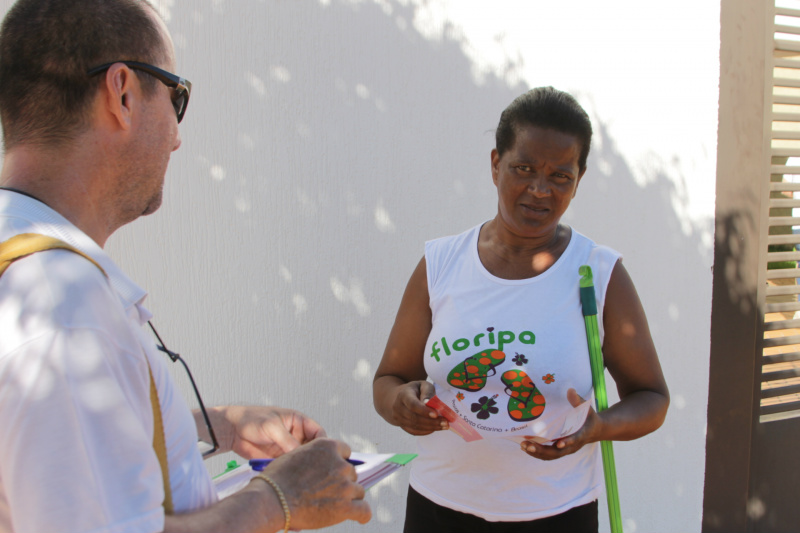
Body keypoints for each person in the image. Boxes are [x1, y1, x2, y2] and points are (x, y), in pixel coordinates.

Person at [0, 1, 371, 532]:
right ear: (122, 93)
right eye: (177, 96)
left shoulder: (26, 268)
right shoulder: (63, 307)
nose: (177, 136)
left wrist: (210, 424)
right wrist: (281, 497)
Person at [373, 86, 669, 532]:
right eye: (523, 168)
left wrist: (596, 428)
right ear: (496, 164)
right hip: (440, 507)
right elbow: (388, 380)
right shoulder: (442, 263)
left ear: (579, 179)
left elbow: (652, 399)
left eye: (560, 176)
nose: (539, 190)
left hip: (557, 512)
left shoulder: (597, 272)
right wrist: (402, 404)